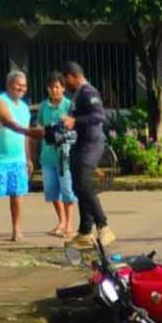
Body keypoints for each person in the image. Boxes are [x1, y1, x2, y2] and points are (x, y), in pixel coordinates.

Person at [61, 62, 116, 248]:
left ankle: (104, 226)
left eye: (65, 79)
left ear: (71, 76)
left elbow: (99, 116)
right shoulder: (78, 94)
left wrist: (74, 120)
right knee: (77, 186)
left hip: (92, 145)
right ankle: (85, 231)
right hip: (80, 144)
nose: (65, 84)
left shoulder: (88, 92)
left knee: (84, 185)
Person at [0, 71, 41, 242]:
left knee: (17, 195)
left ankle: (16, 230)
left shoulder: (24, 107)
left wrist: (28, 158)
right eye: (18, 85)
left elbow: (26, 137)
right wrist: (29, 131)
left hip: (18, 159)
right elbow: (7, 121)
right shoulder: (0, 101)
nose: (21, 89)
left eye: (24, 86)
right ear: (9, 85)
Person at [36, 72, 77, 238]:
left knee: (67, 190)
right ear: (48, 89)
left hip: (65, 156)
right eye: (52, 87)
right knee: (52, 191)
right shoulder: (43, 107)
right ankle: (60, 221)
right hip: (47, 156)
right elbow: (39, 125)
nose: (55, 90)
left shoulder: (69, 105)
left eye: (58, 87)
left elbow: (75, 127)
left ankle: (69, 224)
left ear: (63, 88)